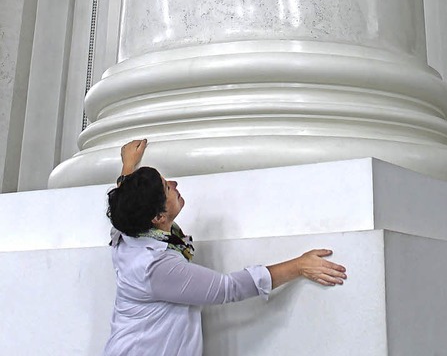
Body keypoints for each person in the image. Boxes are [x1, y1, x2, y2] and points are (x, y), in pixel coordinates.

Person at [103, 139, 347, 356]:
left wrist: (127, 168)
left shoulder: (128, 229)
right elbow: (226, 288)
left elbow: (125, 205)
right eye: (167, 187)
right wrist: (299, 266)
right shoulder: (154, 266)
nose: (176, 184)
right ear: (157, 217)